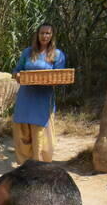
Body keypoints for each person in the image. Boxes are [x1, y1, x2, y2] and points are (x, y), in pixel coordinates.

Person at [10, 24, 66, 164]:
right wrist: (17, 75)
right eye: (42, 33)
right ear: (37, 34)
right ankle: (25, 164)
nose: (44, 36)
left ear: (52, 36)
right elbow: (17, 70)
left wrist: (49, 80)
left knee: (42, 131)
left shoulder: (57, 55)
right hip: (26, 96)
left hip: (43, 98)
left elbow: (60, 76)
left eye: (48, 33)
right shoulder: (28, 52)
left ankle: (41, 164)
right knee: (23, 129)